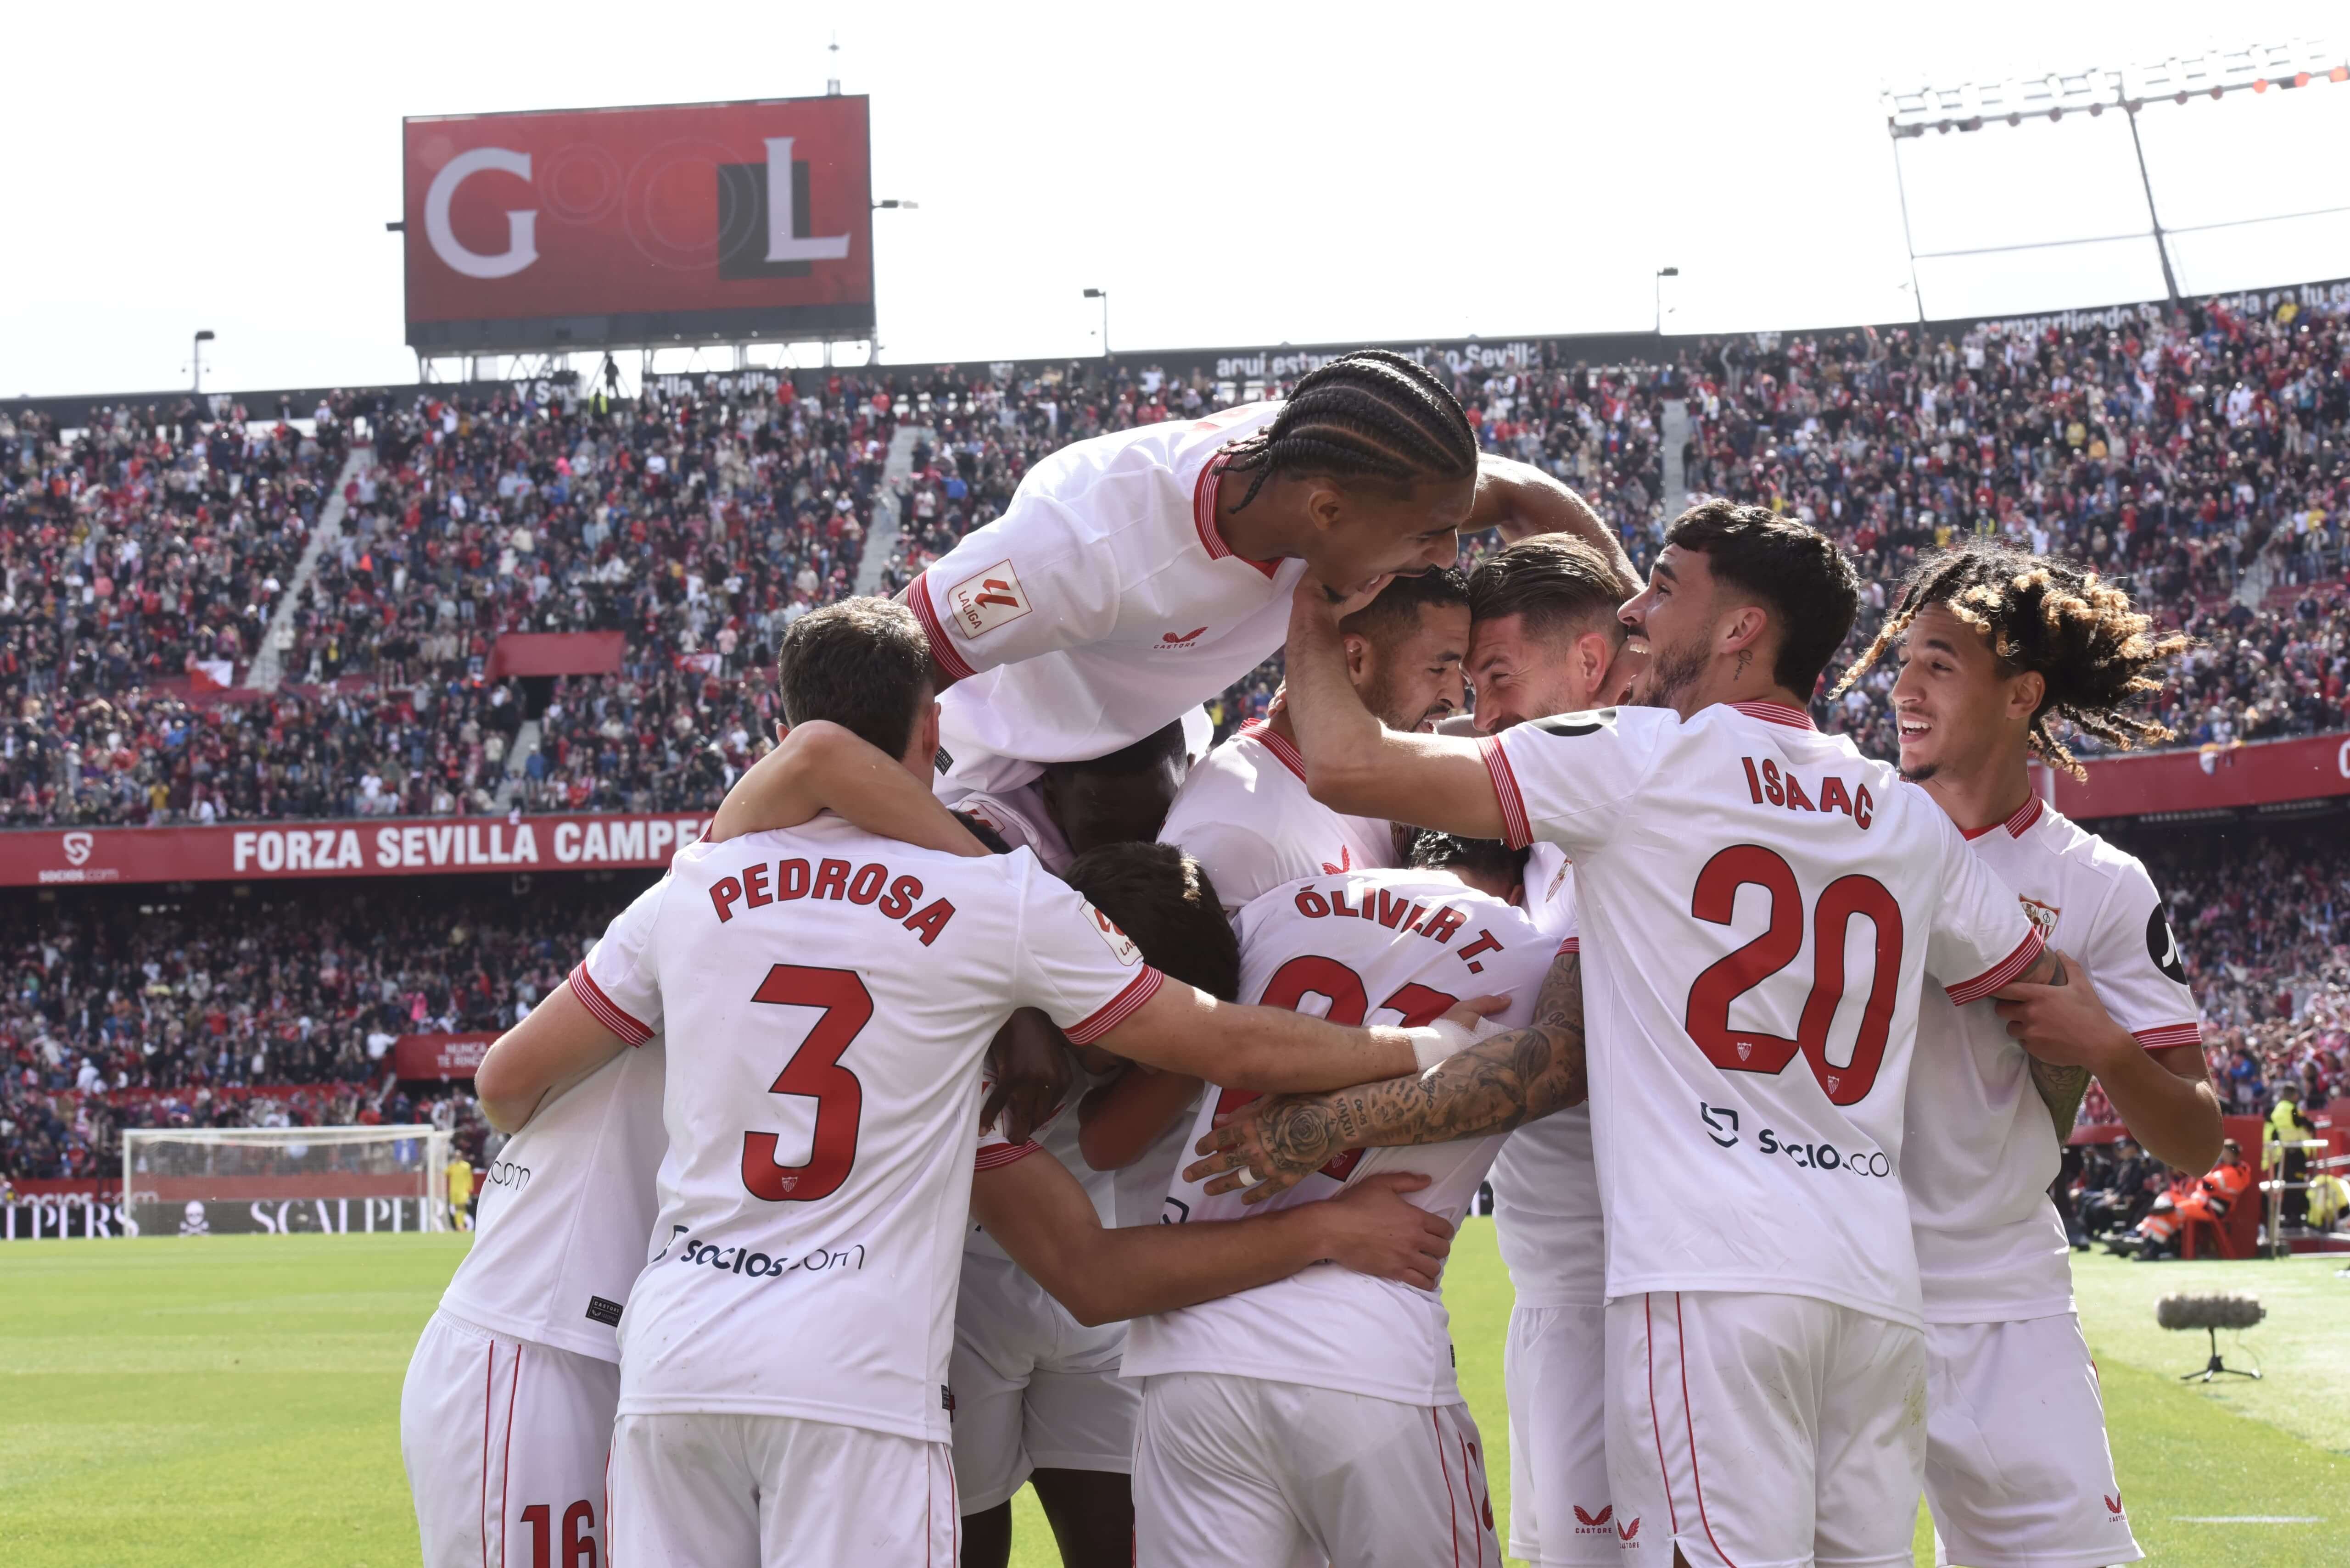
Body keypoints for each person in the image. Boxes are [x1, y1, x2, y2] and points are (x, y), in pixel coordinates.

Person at [470, 597, 1473, 1567]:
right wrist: (1424, 1047)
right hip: (850, 1368)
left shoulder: (693, 884)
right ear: (933, 726)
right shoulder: (996, 905)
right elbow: (1225, 1045)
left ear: (782, 717)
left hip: (678, 1353)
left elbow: (505, 1085)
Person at [1191, 501, 2068, 1568]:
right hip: (1871, 1281)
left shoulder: (1640, 756)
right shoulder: (1901, 812)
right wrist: (2015, 1172)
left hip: (1708, 1273)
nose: (1638, 608)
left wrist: (1317, 595)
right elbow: (2042, 988)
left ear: (1742, 628)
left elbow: (1341, 761)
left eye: (1661, 585)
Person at [1831, 541, 2222, 1568]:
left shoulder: (2099, 885)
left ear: (2022, 693)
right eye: (1903, 658)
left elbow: (2194, 1134)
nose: (1903, 687)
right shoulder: (1835, 834)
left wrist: (2107, 1048)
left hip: (2001, 1299)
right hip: (1831, 1284)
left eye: (1939, 664)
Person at [952, 842, 1459, 1568]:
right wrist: (1326, 1229)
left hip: (1090, 1310)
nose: (1161, 1059)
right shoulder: (973, 1049)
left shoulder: (1099, 1009)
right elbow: (1091, 1275)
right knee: (961, 1540)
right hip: (968, 1298)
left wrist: (1437, 1043)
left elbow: (1212, 1062)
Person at [902, 349, 1630, 802]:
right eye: (1427, 535)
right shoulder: (1079, 546)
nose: (1447, 554)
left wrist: (1635, 640)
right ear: (1327, 511)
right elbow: (883, 660)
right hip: (991, 764)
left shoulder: (1349, 464)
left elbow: (1523, 495)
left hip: (1143, 745)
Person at [1123, 834, 1553, 1567]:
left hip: (1190, 1345)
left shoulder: (1269, 911)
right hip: (1365, 1344)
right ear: (1523, 877)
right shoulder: (1535, 953)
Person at [1458, 532, 1634, 1568]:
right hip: (1560, 1283)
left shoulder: (1629, 807)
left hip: (1619, 1291)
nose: (1482, 716)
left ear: (1588, 661)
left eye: (1496, 680)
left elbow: (1555, 1062)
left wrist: (1324, 1124)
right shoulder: (1552, 833)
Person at [398, 1021, 666, 1568]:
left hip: (625, 1335)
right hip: (542, 1327)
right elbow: (497, 1083)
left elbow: (503, 1088)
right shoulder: (673, 935)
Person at [1158, 566, 1470, 914]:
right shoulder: (1235, 838)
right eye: (1439, 669)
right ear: (1355, 658)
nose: (1457, 697)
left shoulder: (1385, 754)